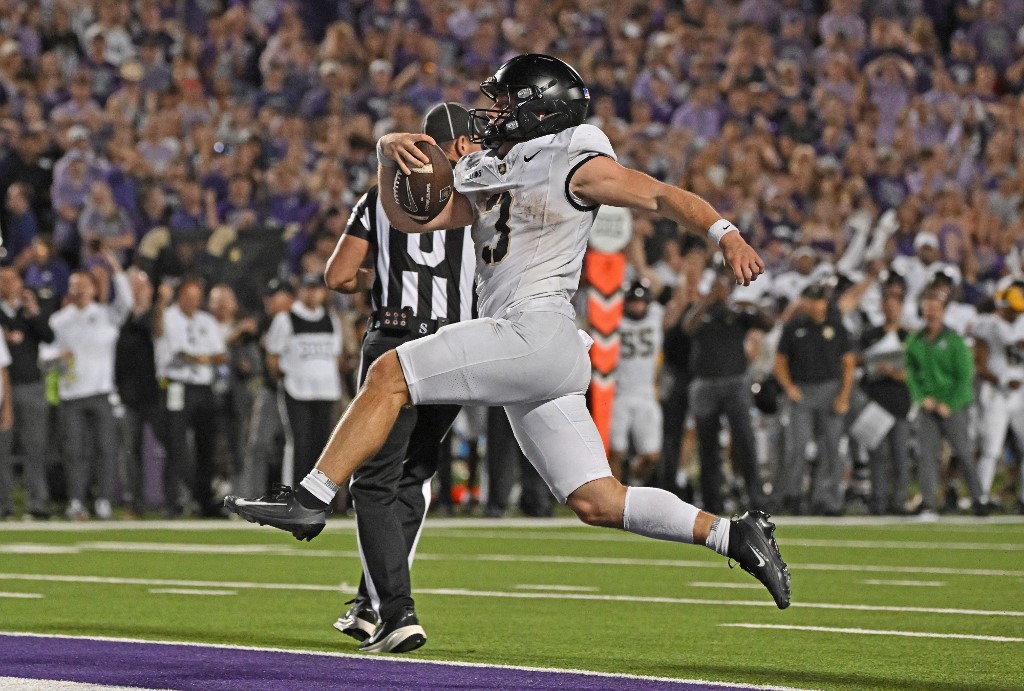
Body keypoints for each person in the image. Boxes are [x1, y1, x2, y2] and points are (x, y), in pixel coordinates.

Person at [226, 56, 790, 650]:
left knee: (390, 370)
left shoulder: (576, 158)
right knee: (598, 499)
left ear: (538, 108)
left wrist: (726, 234)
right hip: (538, 352)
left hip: (535, 330)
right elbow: (416, 220)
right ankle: (733, 534)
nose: (491, 112)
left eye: (503, 102)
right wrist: (386, 156)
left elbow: (660, 197)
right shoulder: (498, 166)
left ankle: (311, 497)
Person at [324, 103, 479, 653]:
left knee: (374, 480)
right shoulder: (481, 196)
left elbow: (338, 275)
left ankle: (393, 610)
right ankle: (373, 602)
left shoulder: (378, 198)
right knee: (413, 476)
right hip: (458, 347)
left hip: (396, 339)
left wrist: (379, 274)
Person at [49, 248, 133, 520]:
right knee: (74, 452)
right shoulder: (59, 320)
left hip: (101, 392)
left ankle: (104, 501)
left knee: (106, 450)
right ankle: (76, 501)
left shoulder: (106, 315)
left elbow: (127, 303)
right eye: (75, 286)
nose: (80, 290)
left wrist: (116, 271)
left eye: (84, 285)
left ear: (94, 289)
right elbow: (45, 352)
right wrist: (56, 356)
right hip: (71, 394)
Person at [684, 269, 773, 514]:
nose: (720, 291)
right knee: (708, 445)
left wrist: (750, 305)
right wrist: (706, 301)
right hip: (705, 385)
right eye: (716, 287)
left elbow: (768, 324)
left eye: (723, 287)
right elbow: (687, 328)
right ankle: (713, 501)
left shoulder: (739, 312)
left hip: (736, 383)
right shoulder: (702, 312)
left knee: (745, 441)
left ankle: (756, 498)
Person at [773, 282, 855, 515]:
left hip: (830, 391)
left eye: (818, 300)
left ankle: (826, 498)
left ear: (825, 302)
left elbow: (848, 364)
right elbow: (779, 362)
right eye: (810, 300)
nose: (814, 304)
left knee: (830, 447)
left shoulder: (837, 327)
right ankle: (793, 496)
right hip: (803, 392)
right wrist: (789, 387)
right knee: (797, 446)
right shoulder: (793, 327)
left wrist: (844, 396)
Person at [905, 286, 985, 517]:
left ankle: (979, 498)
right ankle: (928, 502)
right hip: (929, 406)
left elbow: (964, 376)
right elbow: (911, 374)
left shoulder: (954, 341)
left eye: (935, 308)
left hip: (953, 406)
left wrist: (949, 403)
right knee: (927, 455)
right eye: (927, 308)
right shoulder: (915, 341)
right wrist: (922, 398)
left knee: (963, 452)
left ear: (943, 311)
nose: (931, 313)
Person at [154, 277, 226, 517]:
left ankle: (204, 501)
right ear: (179, 296)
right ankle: (171, 502)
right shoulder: (167, 316)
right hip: (176, 385)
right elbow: (159, 332)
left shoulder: (206, 320)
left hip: (203, 387)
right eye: (188, 297)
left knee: (206, 445)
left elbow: (220, 355)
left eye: (196, 298)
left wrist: (196, 357)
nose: (192, 302)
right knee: (175, 444)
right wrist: (199, 358)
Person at [265, 273, 343, 485]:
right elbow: (273, 357)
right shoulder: (286, 318)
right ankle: (294, 492)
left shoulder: (331, 319)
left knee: (323, 445)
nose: (312, 293)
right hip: (297, 390)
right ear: (300, 291)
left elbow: (335, 356)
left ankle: (318, 495)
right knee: (299, 443)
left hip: (326, 391)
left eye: (316, 288)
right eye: (307, 288)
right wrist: (284, 378)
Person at [0, 267, 54, 519]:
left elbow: (48, 336)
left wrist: (33, 311)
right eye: (2, 279)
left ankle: (38, 503)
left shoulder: (28, 310)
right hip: (3, 388)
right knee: (3, 449)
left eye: (10, 279)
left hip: (31, 385)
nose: (6, 283)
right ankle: (4, 504)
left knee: (35, 448)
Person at [858, 276, 913, 515]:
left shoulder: (909, 337)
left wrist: (902, 374)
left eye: (895, 303)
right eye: (887, 303)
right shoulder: (869, 335)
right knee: (877, 456)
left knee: (901, 456)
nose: (891, 307)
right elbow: (856, 361)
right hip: (875, 402)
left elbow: (918, 371)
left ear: (901, 307)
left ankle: (899, 501)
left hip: (900, 402)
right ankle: (879, 502)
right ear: (881, 306)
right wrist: (873, 363)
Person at [971, 277, 1024, 512]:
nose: (1015, 314)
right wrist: (1003, 379)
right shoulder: (988, 325)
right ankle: (980, 497)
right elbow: (980, 365)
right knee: (991, 449)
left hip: (1022, 394)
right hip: (996, 395)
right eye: (1012, 310)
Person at [114, 267, 162, 514]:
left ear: (150, 290)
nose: (136, 292)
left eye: (140, 286)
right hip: (128, 394)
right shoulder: (120, 319)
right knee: (130, 450)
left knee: (170, 446)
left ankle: (178, 499)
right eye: (131, 287)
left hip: (157, 393)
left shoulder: (158, 315)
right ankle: (135, 501)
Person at [609, 280, 665, 485]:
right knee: (615, 451)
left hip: (646, 393)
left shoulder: (657, 316)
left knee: (651, 455)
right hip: (618, 392)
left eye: (641, 302)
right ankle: (614, 498)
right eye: (633, 301)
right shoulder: (613, 317)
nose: (637, 306)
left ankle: (634, 480)